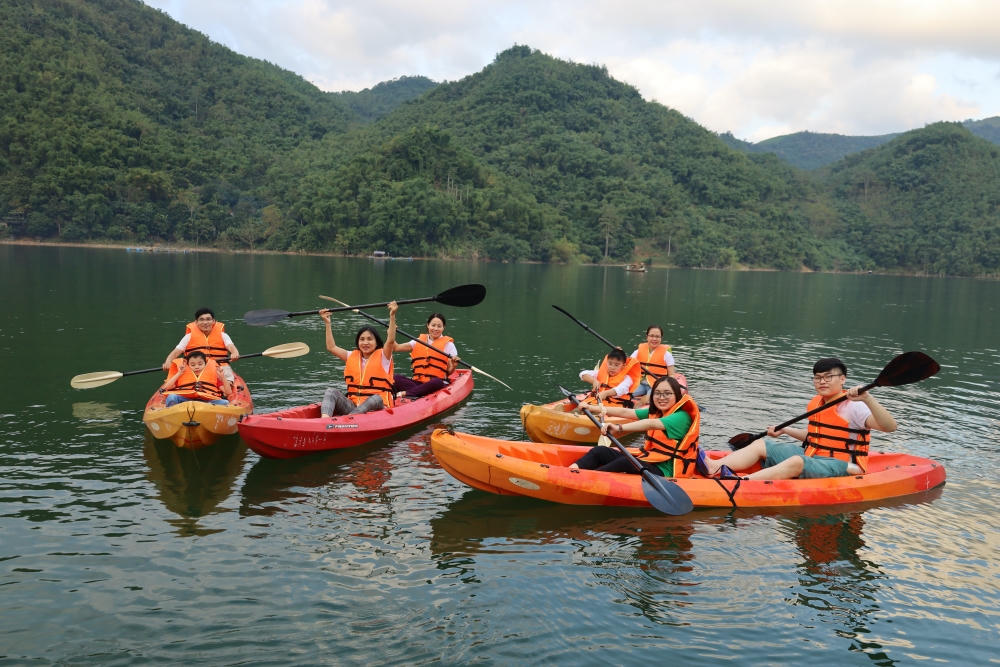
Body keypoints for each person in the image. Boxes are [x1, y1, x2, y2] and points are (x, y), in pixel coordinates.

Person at [701, 357, 897, 480]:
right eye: (818, 377)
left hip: (849, 466)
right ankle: (714, 466)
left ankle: (742, 483)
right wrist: (785, 430)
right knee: (762, 444)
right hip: (816, 456)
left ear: (842, 379)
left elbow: (890, 427)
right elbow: (814, 437)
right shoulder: (817, 402)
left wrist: (868, 398)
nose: (822, 381)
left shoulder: (855, 406)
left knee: (797, 460)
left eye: (829, 377)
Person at [569, 375, 700, 477]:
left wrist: (619, 428)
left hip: (666, 472)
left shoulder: (681, 417)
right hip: (650, 459)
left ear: (677, 396)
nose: (662, 397)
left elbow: (651, 424)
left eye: (667, 393)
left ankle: (587, 478)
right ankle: (572, 470)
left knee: (626, 462)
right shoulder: (657, 412)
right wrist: (592, 408)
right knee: (600, 451)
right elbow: (626, 412)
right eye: (657, 393)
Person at [318, 301, 399, 417]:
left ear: (376, 342)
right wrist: (327, 323)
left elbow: (390, 340)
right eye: (362, 339)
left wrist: (392, 315)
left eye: (369, 339)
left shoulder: (384, 356)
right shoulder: (351, 355)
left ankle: (350, 420)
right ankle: (324, 422)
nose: (365, 342)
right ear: (358, 342)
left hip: (378, 407)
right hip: (354, 406)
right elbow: (331, 347)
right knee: (331, 392)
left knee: (375, 398)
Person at [162, 308, 240, 383]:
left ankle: (226, 389)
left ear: (213, 321)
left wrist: (234, 353)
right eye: (201, 319)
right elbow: (176, 352)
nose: (205, 322)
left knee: (227, 380)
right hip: (196, 368)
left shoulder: (223, 335)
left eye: (208, 319)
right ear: (196, 322)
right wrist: (168, 361)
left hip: (219, 367)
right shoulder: (189, 336)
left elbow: (230, 346)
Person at [393, 312, 459, 399]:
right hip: (418, 382)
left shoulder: (449, 345)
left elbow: (449, 372)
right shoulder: (418, 341)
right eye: (433, 325)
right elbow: (396, 347)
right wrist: (391, 332)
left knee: (437, 382)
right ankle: (418, 392)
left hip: (435, 384)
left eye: (439, 326)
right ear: (428, 325)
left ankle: (407, 393)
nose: (435, 328)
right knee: (395, 378)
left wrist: (453, 366)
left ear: (443, 328)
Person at [160, 351, 232, 407]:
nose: (197, 367)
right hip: (185, 400)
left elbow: (228, 392)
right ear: (188, 365)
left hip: (206, 402)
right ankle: (174, 414)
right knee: (172, 397)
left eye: (200, 364)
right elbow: (167, 387)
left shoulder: (214, 374)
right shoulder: (181, 373)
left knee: (224, 402)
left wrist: (223, 377)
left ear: (205, 363)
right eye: (193, 365)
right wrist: (179, 373)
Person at [630, 325, 676, 406]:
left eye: (657, 336)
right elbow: (627, 365)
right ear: (647, 337)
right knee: (627, 393)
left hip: (657, 385)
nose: (654, 339)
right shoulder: (638, 351)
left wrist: (667, 387)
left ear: (661, 338)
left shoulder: (667, 354)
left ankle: (638, 408)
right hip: (640, 383)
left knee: (649, 398)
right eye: (651, 336)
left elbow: (671, 374)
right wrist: (619, 353)